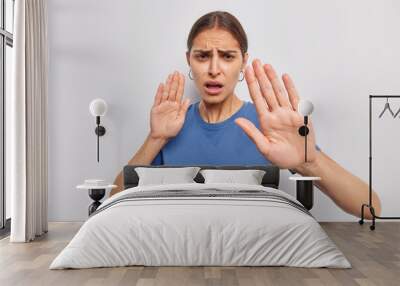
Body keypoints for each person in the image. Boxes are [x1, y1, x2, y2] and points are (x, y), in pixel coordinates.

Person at [110, 11, 381, 219]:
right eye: (203, 56)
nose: (214, 69)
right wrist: (155, 138)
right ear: (189, 59)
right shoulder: (170, 126)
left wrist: (310, 162)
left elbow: (370, 208)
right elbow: (114, 199)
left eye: (227, 56)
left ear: (243, 62)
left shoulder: (271, 125)